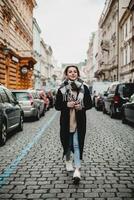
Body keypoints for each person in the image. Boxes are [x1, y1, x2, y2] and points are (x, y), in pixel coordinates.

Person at [55, 65, 92, 184]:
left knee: (77, 144)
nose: (72, 73)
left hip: (79, 120)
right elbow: (57, 106)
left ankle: (77, 170)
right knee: (67, 143)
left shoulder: (84, 88)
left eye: (75, 71)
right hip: (66, 120)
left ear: (78, 74)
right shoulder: (61, 88)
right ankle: (67, 161)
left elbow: (89, 104)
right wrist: (67, 105)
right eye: (70, 72)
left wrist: (81, 106)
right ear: (66, 74)